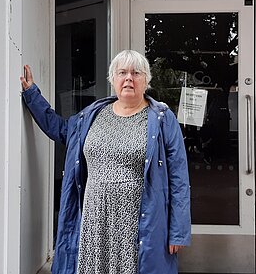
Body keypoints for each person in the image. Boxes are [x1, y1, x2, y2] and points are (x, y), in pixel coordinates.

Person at [21, 50, 191, 274]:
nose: (128, 78)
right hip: (95, 218)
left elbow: (179, 177)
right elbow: (61, 130)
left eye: (136, 73)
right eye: (122, 72)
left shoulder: (161, 118)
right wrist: (32, 94)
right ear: (113, 79)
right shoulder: (93, 114)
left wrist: (177, 231)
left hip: (138, 221)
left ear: (146, 80)